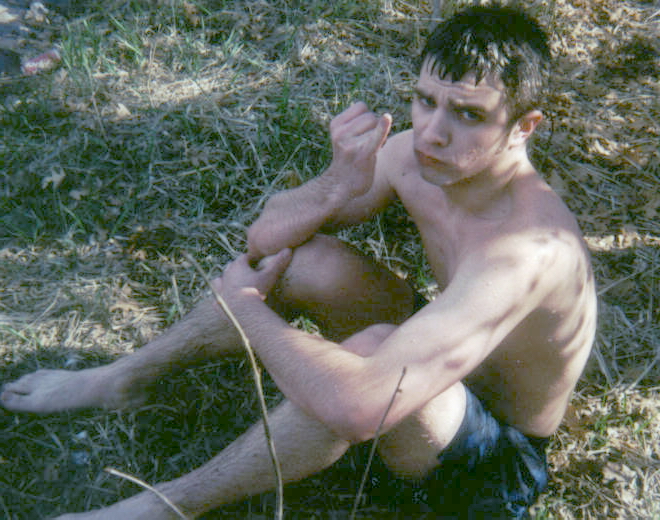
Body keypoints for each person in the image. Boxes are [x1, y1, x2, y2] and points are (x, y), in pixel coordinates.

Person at [1, 5, 597, 519]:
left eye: (468, 114)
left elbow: (358, 408)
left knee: (368, 362)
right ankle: (121, 378)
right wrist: (336, 184)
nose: (432, 133)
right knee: (306, 262)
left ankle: (164, 505)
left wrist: (249, 313)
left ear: (523, 127)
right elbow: (265, 243)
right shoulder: (417, 157)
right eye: (425, 101)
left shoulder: (526, 252)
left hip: (493, 463)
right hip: (440, 361)